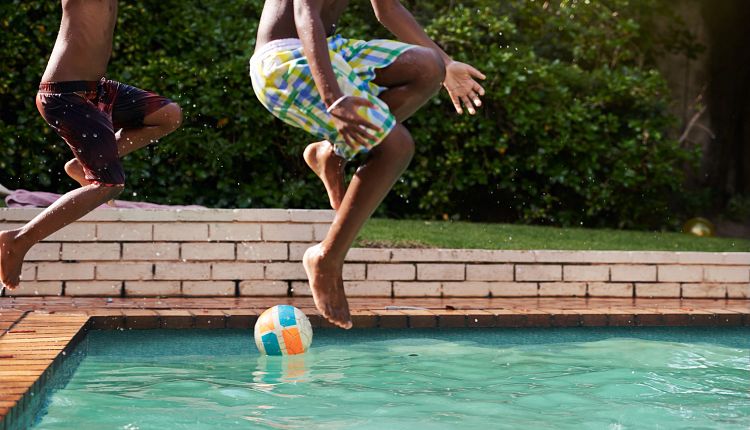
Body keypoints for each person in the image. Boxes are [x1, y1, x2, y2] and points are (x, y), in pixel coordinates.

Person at [250, 0, 486, 328]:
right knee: (397, 147)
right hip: (283, 62)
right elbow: (306, 13)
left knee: (429, 66)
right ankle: (326, 258)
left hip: (331, 48)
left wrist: (448, 65)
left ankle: (333, 153)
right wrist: (334, 99)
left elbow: (387, 9)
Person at [0, 0, 182, 291]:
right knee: (109, 185)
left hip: (99, 90)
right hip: (64, 95)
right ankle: (18, 240)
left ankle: (80, 166)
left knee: (168, 114)